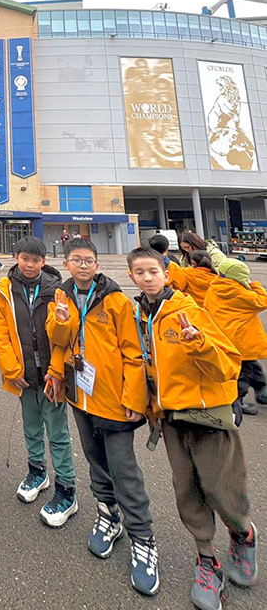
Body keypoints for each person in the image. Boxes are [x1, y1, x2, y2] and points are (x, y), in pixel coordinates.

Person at [127, 247, 257, 608]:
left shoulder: (189, 311)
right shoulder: (140, 315)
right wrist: (149, 410)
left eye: (153, 271)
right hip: (171, 419)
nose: (148, 278)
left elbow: (229, 364)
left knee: (220, 487)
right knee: (187, 491)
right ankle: (207, 559)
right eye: (140, 272)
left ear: (167, 273)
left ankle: (243, 534)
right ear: (132, 276)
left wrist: (198, 344)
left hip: (207, 415)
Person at [46, 238, 158, 596]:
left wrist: (134, 398)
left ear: (97, 265)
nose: (82, 265)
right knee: (95, 461)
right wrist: (61, 326)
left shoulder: (116, 300)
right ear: (66, 263)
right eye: (76, 260)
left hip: (114, 400)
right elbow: (58, 340)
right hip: (80, 395)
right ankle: (108, 515)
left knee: (124, 469)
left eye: (88, 260)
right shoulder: (61, 296)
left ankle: (143, 538)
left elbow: (134, 352)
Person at [0, 236, 77, 523]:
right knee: (31, 428)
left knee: (58, 433)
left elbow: (62, 338)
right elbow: (0, 333)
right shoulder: (4, 290)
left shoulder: (57, 290)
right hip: (24, 376)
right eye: (25, 258)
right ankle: (37, 473)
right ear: (16, 257)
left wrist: (57, 371)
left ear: (44, 261)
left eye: (36, 260)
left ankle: (66, 487)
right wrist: (12, 370)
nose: (30, 264)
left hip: (51, 375)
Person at [203, 257, 267, 416]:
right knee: (242, 374)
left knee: (253, 367)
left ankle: (262, 391)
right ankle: (238, 402)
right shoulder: (242, 293)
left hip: (225, 339)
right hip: (242, 342)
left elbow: (206, 309)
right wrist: (254, 284)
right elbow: (263, 301)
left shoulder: (214, 288)